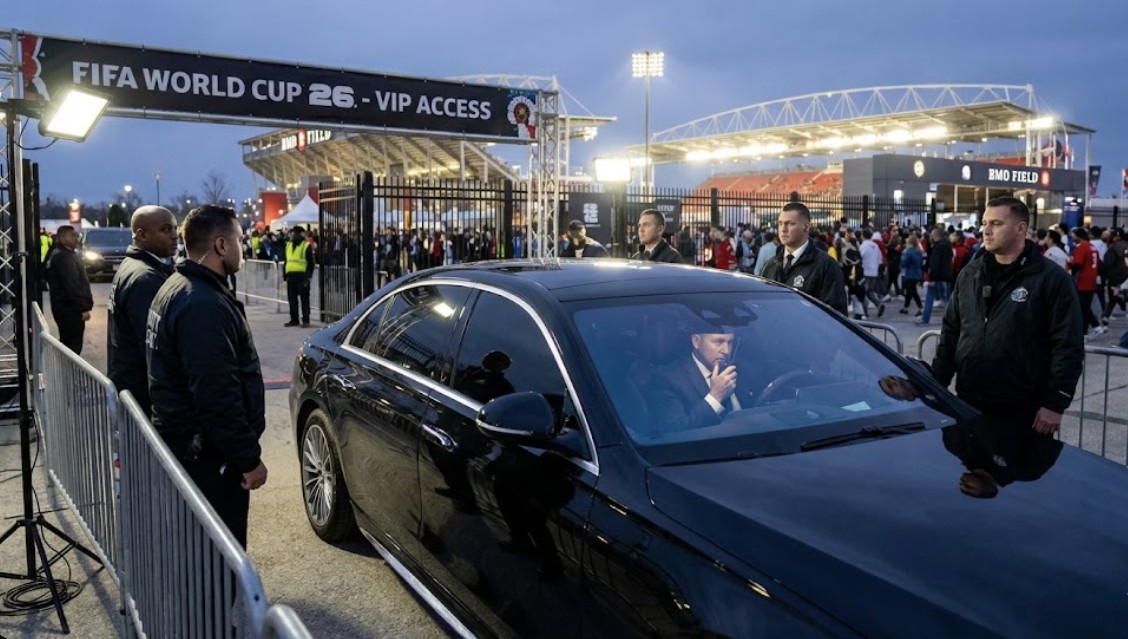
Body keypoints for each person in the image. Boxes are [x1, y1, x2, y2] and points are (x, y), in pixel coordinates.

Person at [147, 205, 268, 548]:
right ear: (220, 245)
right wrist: (247, 459)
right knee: (217, 560)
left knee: (198, 553)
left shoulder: (181, 286)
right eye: (240, 239)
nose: (244, 247)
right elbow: (216, 393)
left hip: (193, 448)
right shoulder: (203, 304)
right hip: (207, 457)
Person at [932, 196, 1084, 442]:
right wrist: (936, 385)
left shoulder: (1051, 279)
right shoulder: (970, 274)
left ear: (1020, 228)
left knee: (1017, 478)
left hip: (1022, 408)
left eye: (996, 223)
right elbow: (951, 332)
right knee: (970, 473)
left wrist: (1055, 404)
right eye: (984, 223)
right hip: (969, 399)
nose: (986, 230)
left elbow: (1068, 345)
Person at [107, 206, 178, 416]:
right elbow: (153, 345)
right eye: (166, 229)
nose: (175, 235)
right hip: (142, 393)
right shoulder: (145, 279)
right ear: (142, 235)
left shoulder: (137, 268)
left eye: (175, 228)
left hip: (132, 385)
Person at [760, 202, 847, 315]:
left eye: (790, 224)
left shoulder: (826, 265)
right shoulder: (770, 265)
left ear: (806, 226)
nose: (783, 229)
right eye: (780, 223)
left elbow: (836, 313)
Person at [653, 331, 747, 431]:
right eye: (718, 342)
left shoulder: (739, 369)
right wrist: (715, 397)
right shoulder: (668, 380)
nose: (726, 351)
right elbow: (676, 432)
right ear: (696, 341)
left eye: (730, 342)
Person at [45, 225, 93, 354]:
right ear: (62, 238)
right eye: (72, 236)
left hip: (64, 308)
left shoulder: (60, 254)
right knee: (72, 347)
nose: (76, 238)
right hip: (70, 310)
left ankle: (65, 372)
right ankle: (67, 374)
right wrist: (82, 308)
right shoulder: (64, 257)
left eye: (76, 235)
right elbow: (72, 285)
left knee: (68, 344)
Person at [1070, 227, 1104, 338]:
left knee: (1082, 306)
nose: (1073, 237)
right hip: (1091, 279)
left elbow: (1078, 264)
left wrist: (1070, 265)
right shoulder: (1092, 247)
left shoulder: (1081, 247)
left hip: (1082, 281)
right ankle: (1083, 332)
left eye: (1074, 235)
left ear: (1079, 236)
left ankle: (1096, 325)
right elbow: (1099, 263)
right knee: (1085, 306)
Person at [916, 226, 953, 326]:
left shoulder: (937, 247)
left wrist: (931, 277)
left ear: (935, 236)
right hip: (947, 275)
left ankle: (925, 318)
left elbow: (934, 263)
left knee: (930, 296)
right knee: (948, 299)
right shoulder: (947, 245)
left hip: (937, 276)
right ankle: (952, 319)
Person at [282, 225, 315, 328]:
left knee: (303, 299)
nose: (293, 235)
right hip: (292, 276)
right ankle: (295, 319)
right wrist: (285, 277)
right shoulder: (288, 245)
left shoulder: (305, 245)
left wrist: (308, 277)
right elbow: (286, 262)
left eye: (294, 233)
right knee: (292, 299)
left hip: (302, 276)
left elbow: (311, 263)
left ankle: (305, 320)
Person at [859, 229, 886, 317]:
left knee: (863, 292)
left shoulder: (863, 246)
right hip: (874, 271)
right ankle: (878, 304)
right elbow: (879, 259)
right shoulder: (875, 245)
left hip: (865, 271)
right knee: (870, 291)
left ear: (863, 235)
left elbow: (860, 258)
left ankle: (864, 311)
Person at [899, 234, 924, 315]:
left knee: (912, 291)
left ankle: (920, 307)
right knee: (910, 291)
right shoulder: (919, 251)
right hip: (917, 273)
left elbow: (904, 263)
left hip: (910, 273)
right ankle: (905, 307)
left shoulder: (908, 251)